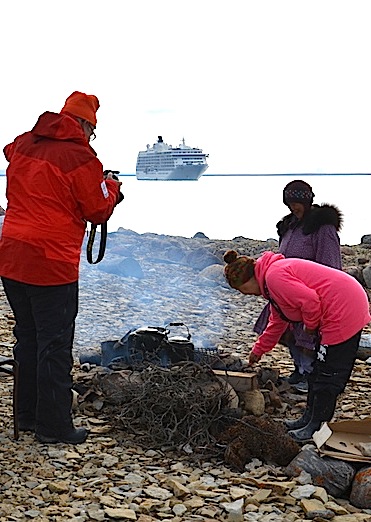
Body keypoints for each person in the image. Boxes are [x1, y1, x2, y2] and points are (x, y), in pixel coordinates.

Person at [0, 91, 123, 444]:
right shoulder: (80, 156)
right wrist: (111, 186)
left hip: (11, 256)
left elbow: (10, 151)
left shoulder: (25, 143)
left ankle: (25, 415)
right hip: (50, 262)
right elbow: (98, 209)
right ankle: (53, 427)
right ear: (85, 124)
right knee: (54, 343)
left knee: (27, 336)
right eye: (91, 130)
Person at [224, 249, 370, 443]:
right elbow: (277, 321)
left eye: (242, 290)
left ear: (247, 280)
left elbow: (310, 302)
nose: (246, 294)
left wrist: (310, 327)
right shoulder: (270, 283)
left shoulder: (275, 277)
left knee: (329, 373)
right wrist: (258, 351)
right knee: (316, 370)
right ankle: (308, 419)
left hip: (343, 307)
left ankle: (316, 427)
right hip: (337, 306)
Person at [253, 180, 343, 392]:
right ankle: (299, 369)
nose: (293, 207)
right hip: (288, 290)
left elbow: (331, 265)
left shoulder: (322, 228)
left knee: (308, 336)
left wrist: (323, 296)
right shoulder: (289, 226)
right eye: (290, 202)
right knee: (287, 331)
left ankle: (311, 374)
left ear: (307, 200)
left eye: (297, 202)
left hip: (311, 291)